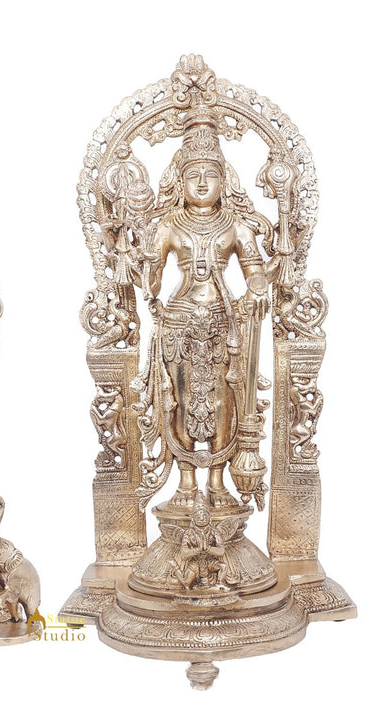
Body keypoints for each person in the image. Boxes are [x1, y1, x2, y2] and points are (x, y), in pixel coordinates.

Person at [142, 106, 269, 507]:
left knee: (224, 403)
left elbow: (255, 271)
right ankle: (184, 482)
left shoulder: (236, 225)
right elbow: (151, 282)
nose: (201, 183)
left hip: (223, 324)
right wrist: (144, 267)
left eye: (209, 174)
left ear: (223, 180)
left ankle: (216, 481)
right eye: (192, 175)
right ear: (179, 182)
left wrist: (257, 288)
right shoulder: (167, 225)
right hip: (179, 325)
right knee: (178, 400)